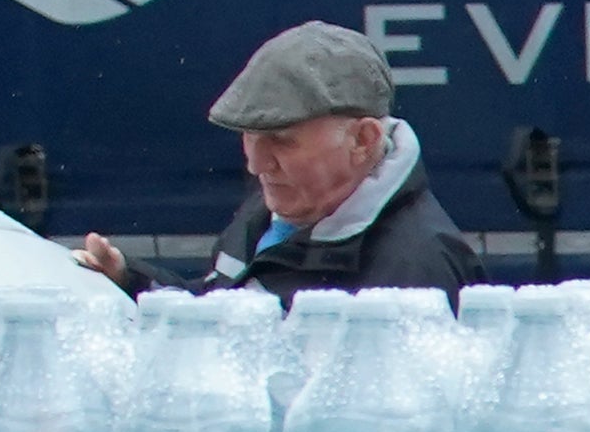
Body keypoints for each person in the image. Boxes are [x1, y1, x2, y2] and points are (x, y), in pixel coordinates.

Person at [71, 20, 480, 295]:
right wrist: (129, 281)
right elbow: (221, 313)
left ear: (364, 139)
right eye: (250, 136)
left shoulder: (416, 270)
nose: (257, 164)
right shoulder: (282, 204)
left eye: (282, 140)